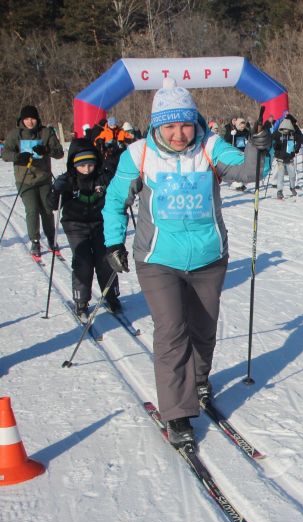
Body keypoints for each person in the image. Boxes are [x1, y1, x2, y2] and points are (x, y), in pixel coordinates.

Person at [102, 78, 270, 447]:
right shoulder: (139, 154)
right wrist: (113, 241)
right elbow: (115, 201)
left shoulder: (210, 146)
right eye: (170, 126)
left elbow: (249, 172)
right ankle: (177, 413)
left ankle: (198, 380)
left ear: (195, 122)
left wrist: (259, 148)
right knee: (172, 332)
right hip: (158, 259)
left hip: (209, 258)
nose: (179, 134)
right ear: (156, 125)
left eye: (185, 125)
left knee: (203, 329)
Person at [47, 139, 120, 321]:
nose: (87, 169)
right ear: (74, 165)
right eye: (82, 166)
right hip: (75, 225)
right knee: (83, 262)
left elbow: (117, 191)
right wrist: (56, 191)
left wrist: (116, 163)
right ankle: (81, 301)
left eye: (90, 164)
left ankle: (111, 295)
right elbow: (53, 205)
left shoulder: (102, 177)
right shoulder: (68, 180)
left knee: (105, 260)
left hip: (100, 223)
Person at [2, 105, 64, 259]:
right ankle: (35, 240)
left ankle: (51, 237)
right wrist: (18, 157)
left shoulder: (46, 132)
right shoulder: (15, 134)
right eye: (27, 119)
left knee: (47, 209)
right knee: (32, 210)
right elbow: (5, 153)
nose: (30, 122)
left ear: (37, 119)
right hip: (25, 180)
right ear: (22, 120)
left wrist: (47, 151)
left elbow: (59, 153)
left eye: (33, 118)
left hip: (44, 178)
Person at [272, 117, 303, 199]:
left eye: (288, 129)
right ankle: (279, 191)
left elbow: (300, 139)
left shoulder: (292, 134)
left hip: (290, 158)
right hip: (280, 159)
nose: (286, 131)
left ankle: (292, 188)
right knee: (280, 175)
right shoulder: (277, 133)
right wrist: (274, 145)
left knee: (292, 174)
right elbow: (270, 139)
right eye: (285, 129)